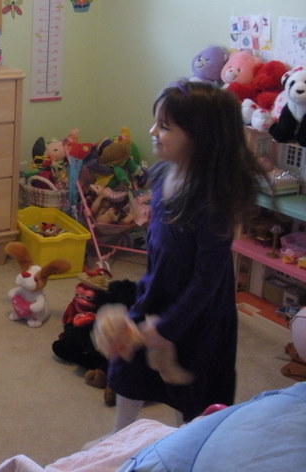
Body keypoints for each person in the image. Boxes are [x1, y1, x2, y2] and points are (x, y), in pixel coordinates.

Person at [101, 80, 266, 436]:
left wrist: (168, 327)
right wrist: (147, 303)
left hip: (198, 312)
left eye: (164, 126)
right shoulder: (163, 174)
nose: (152, 132)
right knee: (129, 369)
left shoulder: (213, 201)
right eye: (156, 122)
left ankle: (186, 442)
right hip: (157, 290)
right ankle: (118, 437)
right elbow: (159, 248)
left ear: (200, 138)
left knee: (191, 393)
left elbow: (207, 278)